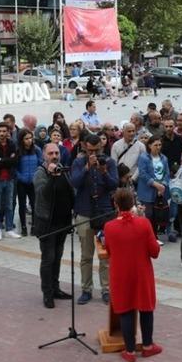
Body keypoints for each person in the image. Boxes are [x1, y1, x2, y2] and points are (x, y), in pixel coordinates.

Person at [102, 188, 162, 362]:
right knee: (146, 309)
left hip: (121, 274)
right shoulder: (144, 224)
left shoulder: (109, 227)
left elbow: (109, 250)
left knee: (126, 310)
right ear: (133, 204)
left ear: (116, 205)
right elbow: (155, 251)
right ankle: (148, 346)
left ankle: (129, 351)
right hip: (141, 274)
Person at [71, 134, 118, 305]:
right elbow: (75, 183)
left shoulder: (109, 162)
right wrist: (86, 168)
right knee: (86, 255)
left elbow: (114, 185)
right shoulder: (78, 162)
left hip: (104, 213)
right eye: (90, 150)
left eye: (96, 150)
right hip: (84, 212)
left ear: (101, 146)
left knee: (105, 256)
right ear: (84, 147)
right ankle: (86, 289)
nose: (93, 153)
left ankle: (106, 289)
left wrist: (104, 173)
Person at [33, 143, 75, 308]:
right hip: (47, 224)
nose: (54, 156)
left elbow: (70, 192)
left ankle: (56, 288)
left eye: (57, 152)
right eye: (51, 153)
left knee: (57, 258)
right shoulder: (40, 173)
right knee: (48, 259)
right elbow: (43, 194)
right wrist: (51, 176)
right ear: (44, 155)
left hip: (62, 222)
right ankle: (47, 293)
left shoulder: (62, 170)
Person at [0, 122, 20, 241]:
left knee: (9, 205)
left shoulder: (13, 144)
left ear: (8, 132)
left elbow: (15, 161)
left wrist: (3, 160)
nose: (1, 134)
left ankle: (9, 229)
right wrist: (7, 160)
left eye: (4, 131)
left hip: (10, 178)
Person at [136, 135, 171, 242]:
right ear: (150, 145)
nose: (158, 147)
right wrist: (155, 184)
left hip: (160, 191)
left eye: (160, 145)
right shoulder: (143, 157)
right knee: (148, 214)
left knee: (157, 215)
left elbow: (167, 173)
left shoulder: (164, 158)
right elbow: (142, 173)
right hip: (147, 190)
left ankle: (154, 236)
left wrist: (163, 185)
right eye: (155, 145)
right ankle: (147, 237)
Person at [15, 129, 42, 235]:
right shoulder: (18, 151)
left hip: (33, 182)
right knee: (22, 205)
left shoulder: (37, 150)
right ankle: (23, 227)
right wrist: (20, 177)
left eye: (31, 138)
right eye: (26, 138)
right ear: (21, 140)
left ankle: (34, 226)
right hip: (21, 182)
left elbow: (41, 164)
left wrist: (36, 176)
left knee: (35, 205)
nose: (29, 140)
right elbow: (15, 168)